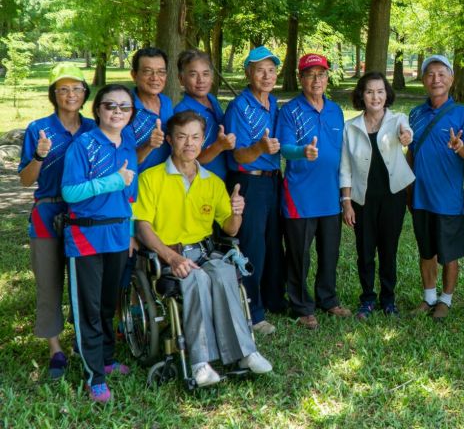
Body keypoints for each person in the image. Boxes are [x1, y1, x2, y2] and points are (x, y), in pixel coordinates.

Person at [134, 110, 273, 388]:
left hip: (205, 252)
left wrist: (237, 212)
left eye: (196, 137)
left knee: (223, 273)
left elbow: (231, 229)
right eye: (182, 137)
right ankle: (199, 362)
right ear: (171, 140)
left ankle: (245, 353)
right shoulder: (151, 178)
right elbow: (142, 227)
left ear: (203, 140)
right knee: (195, 277)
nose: (189, 143)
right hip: (168, 255)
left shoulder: (211, 181)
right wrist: (171, 257)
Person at [61, 84, 138, 403]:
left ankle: (106, 358)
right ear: (98, 110)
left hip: (118, 235)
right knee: (89, 309)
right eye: (110, 106)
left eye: (124, 107)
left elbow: (129, 195)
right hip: (86, 237)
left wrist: (130, 229)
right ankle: (95, 376)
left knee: (108, 305)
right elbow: (70, 192)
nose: (117, 112)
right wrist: (112, 181)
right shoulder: (83, 145)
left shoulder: (129, 143)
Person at [19, 63, 96, 380]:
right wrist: (38, 156)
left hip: (85, 217)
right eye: (63, 89)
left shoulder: (95, 128)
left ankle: (84, 342)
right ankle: (55, 350)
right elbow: (25, 181)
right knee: (49, 284)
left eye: (76, 88)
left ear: (84, 93)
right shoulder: (39, 128)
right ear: (54, 94)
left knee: (85, 285)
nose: (71, 94)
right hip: (48, 216)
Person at [276, 53, 351, 329]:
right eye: (310, 74)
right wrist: (302, 151)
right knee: (298, 255)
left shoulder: (335, 111)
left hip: (330, 196)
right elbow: (284, 148)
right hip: (300, 196)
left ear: (327, 78)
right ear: (301, 78)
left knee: (329, 253)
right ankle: (301, 305)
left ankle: (327, 299)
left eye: (321, 74)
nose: (316, 79)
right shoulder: (290, 111)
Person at [339, 72, 415, 318]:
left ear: (387, 94)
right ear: (362, 94)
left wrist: (406, 136)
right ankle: (367, 299)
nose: (376, 96)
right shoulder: (351, 128)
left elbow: (407, 132)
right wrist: (346, 202)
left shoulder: (397, 120)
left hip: (393, 198)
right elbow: (345, 168)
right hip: (362, 199)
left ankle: (388, 299)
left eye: (380, 91)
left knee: (388, 250)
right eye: (370, 91)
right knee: (365, 251)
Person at [408, 54, 464, 320]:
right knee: (426, 250)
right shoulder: (415, 114)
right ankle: (428, 297)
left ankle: (445, 301)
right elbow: (410, 152)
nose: (435, 79)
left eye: (441, 74)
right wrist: (407, 187)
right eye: (430, 74)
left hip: (448, 198)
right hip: (420, 196)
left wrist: (460, 148)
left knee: (449, 254)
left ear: (451, 79)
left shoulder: (462, 114)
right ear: (424, 80)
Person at [224, 46, 286, 335]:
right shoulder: (239, 107)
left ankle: (273, 299)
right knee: (253, 248)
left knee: (273, 242)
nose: (266, 75)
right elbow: (238, 156)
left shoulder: (273, 103)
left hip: (274, 180)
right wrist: (260, 148)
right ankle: (253, 312)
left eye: (271, 70)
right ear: (248, 73)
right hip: (250, 181)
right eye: (260, 69)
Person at [174, 49, 235, 181]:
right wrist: (218, 146)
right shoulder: (183, 112)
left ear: (212, 77)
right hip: (199, 183)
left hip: (222, 180)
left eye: (205, 74)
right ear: (181, 79)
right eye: (193, 74)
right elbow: (187, 160)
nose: (201, 80)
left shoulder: (212, 100)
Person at [131, 47, 172, 173]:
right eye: (147, 71)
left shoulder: (167, 102)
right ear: (134, 75)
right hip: (136, 185)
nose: (155, 78)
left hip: (165, 182)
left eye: (161, 72)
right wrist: (149, 145)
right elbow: (120, 159)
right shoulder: (124, 108)